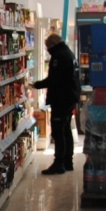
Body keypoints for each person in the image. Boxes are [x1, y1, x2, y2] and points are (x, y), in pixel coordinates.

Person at [32, 33, 79, 175]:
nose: (47, 49)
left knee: (58, 131)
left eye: (47, 46)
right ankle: (68, 162)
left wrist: (37, 85)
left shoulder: (59, 56)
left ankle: (59, 164)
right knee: (66, 130)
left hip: (61, 98)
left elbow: (54, 79)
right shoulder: (69, 53)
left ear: (53, 44)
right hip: (70, 97)